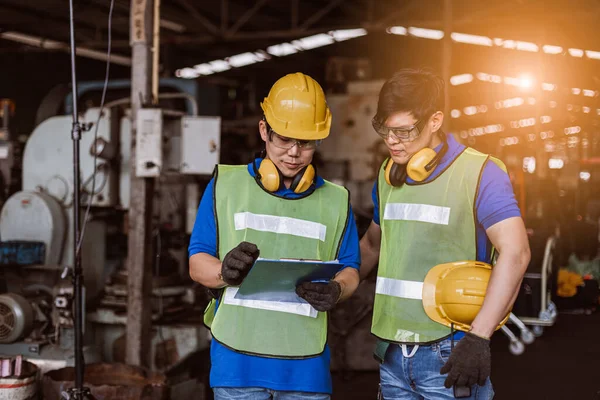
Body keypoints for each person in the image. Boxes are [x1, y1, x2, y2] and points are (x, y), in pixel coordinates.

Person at [359, 68, 531, 399]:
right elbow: (372, 244)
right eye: (384, 129)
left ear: (435, 120)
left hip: (450, 353)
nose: (391, 140)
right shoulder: (388, 173)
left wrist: (479, 338)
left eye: (404, 131)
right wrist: (338, 284)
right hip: (392, 354)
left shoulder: (480, 172)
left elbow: (517, 252)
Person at [188, 72, 361, 400]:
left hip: (305, 367)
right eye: (284, 139)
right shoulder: (226, 185)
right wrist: (224, 272)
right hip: (236, 364)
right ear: (264, 130)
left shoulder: (337, 200)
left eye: (306, 142)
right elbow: (197, 262)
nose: (294, 153)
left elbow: (351, 268)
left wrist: (338, 290)